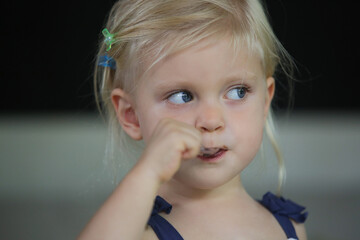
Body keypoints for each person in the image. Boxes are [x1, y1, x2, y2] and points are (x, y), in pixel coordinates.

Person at [79, 0, 308, 239]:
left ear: (264, 100)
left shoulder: (290, 226)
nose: (211, 121)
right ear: (131, 115)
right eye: (181, 96)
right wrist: (148, 172)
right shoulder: (143, 234)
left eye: (237, 91)